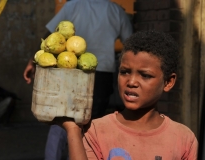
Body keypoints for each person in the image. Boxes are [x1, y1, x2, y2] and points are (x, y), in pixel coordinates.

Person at [57, 30, 198, 160]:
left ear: (168, 82)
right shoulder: (96, 131)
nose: (131, 82)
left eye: (145, 75)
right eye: (124, 72)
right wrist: (73, 130)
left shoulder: (183, 139)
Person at [23, 0, 133, 159]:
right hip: (101, 73)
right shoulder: (116, 11)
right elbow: (130, 43)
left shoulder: (73, 5)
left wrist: (32, 60)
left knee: (60, 117)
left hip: (69, 71)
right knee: (91, 122)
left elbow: (52, 37)